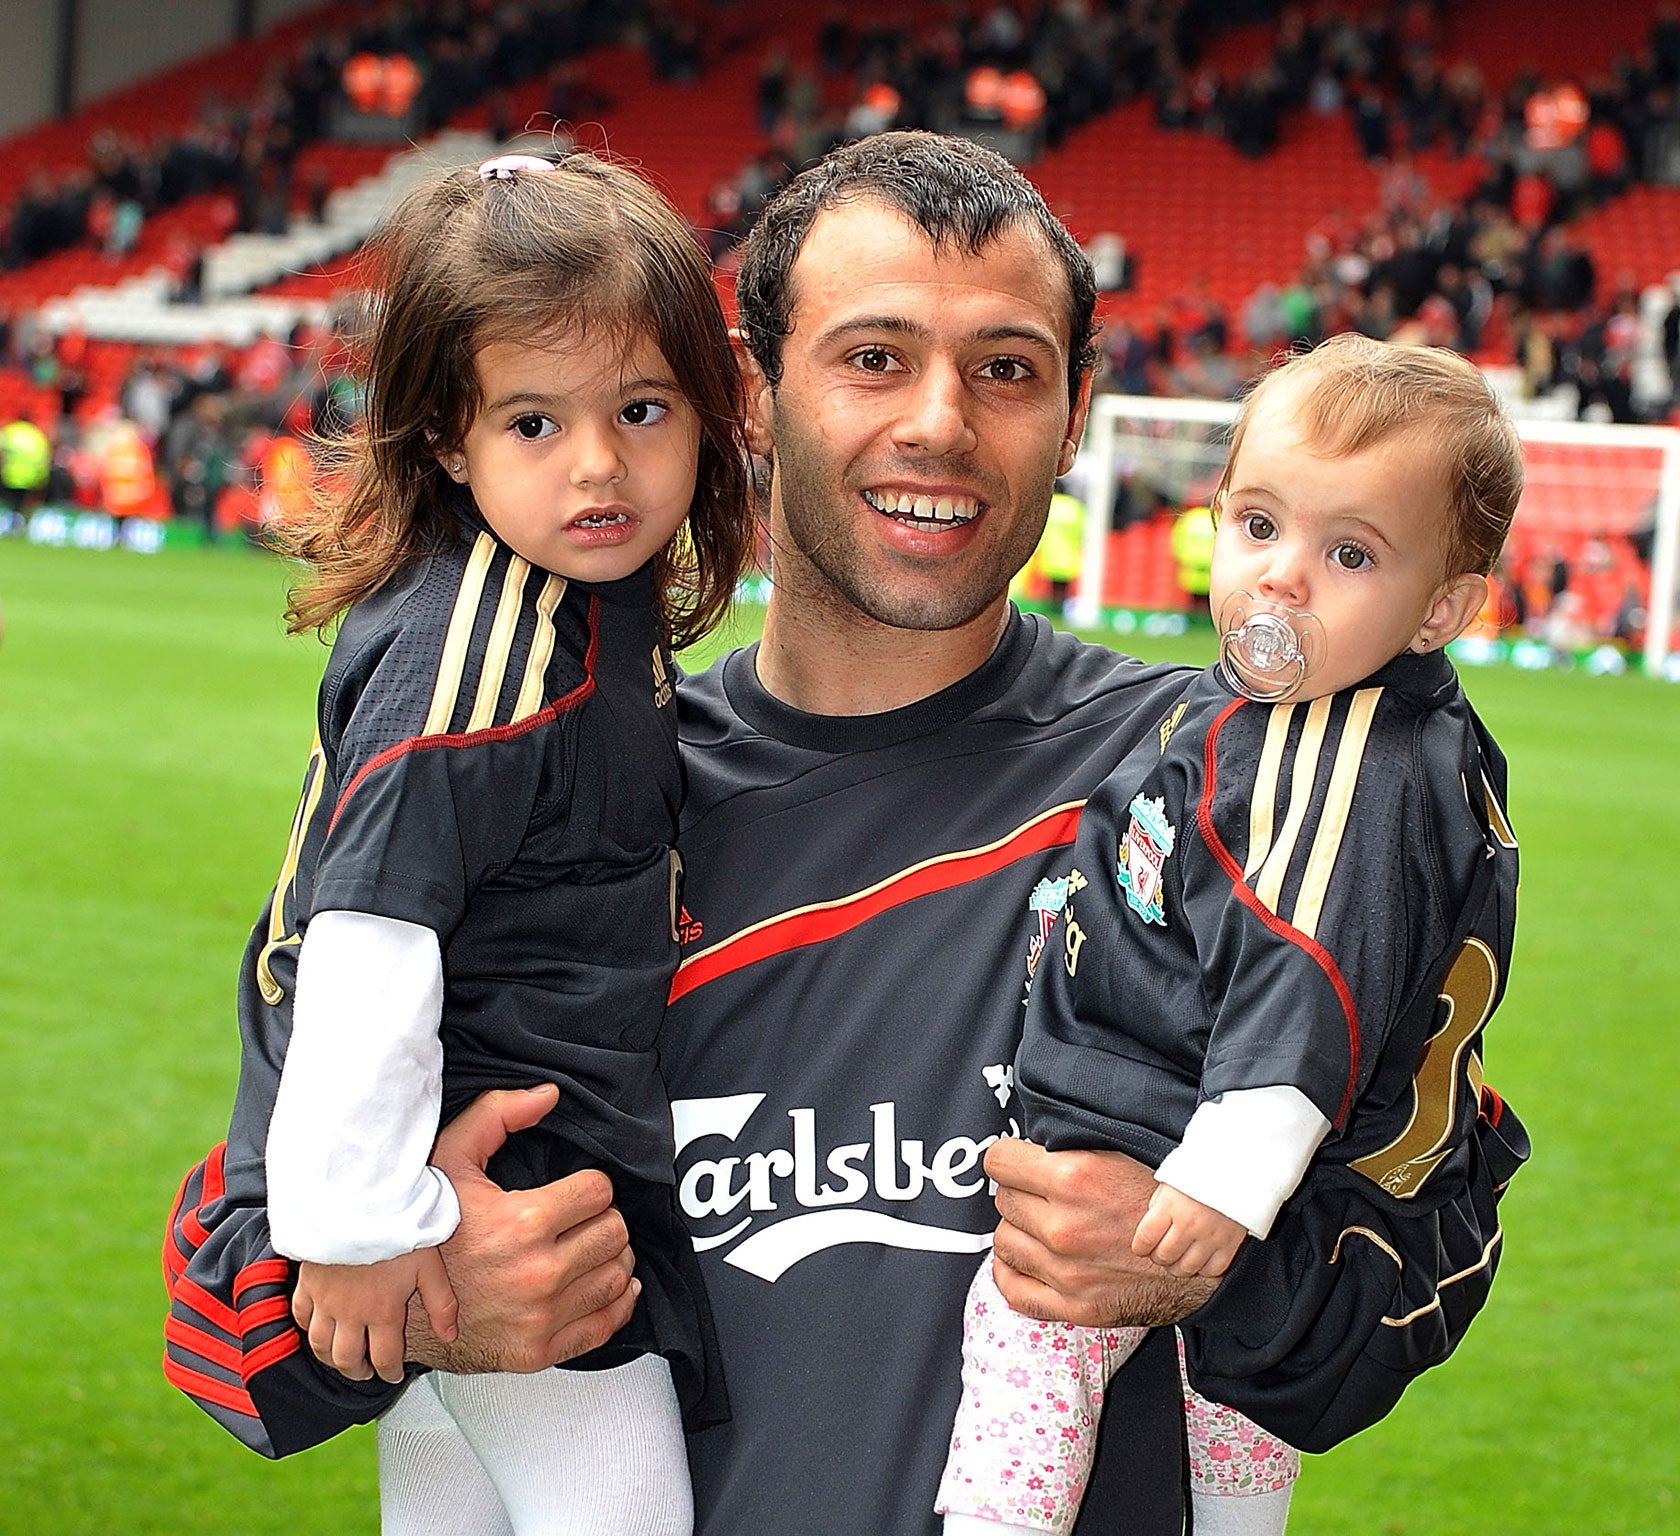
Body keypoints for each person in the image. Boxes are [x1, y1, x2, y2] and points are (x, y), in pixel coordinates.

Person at [164, 132, 1518, 1536]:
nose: (940, 421)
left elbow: (1427, 1251)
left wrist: (1214, 1265)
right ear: (751, 395)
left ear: (1075, 415)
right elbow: (228, 1263)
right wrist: (435, 1294)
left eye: (1005, 369)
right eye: (874, 357)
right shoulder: (548, 796)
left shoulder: (1222, 788)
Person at [162, 152, 755, 1533]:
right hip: (493, 1178)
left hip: (464, 1161)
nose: (600, 463)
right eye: (536, 423)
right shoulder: (484, 645)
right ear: (446, 438)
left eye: (643, 409)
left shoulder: (578, 599)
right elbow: (365, 940)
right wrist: (354, 1232)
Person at [935, 337, 1527, 1536]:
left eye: (1348, 553)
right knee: (1228, 1428)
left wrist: (1221, 1186)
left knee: (1023, 1329)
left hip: (1173, 1143)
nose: (1281, 580)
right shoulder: (1269, 712)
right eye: (1258, 527)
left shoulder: (1340, 748)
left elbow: (1303, 974)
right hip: (1251, 1155)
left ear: (1440, 611)